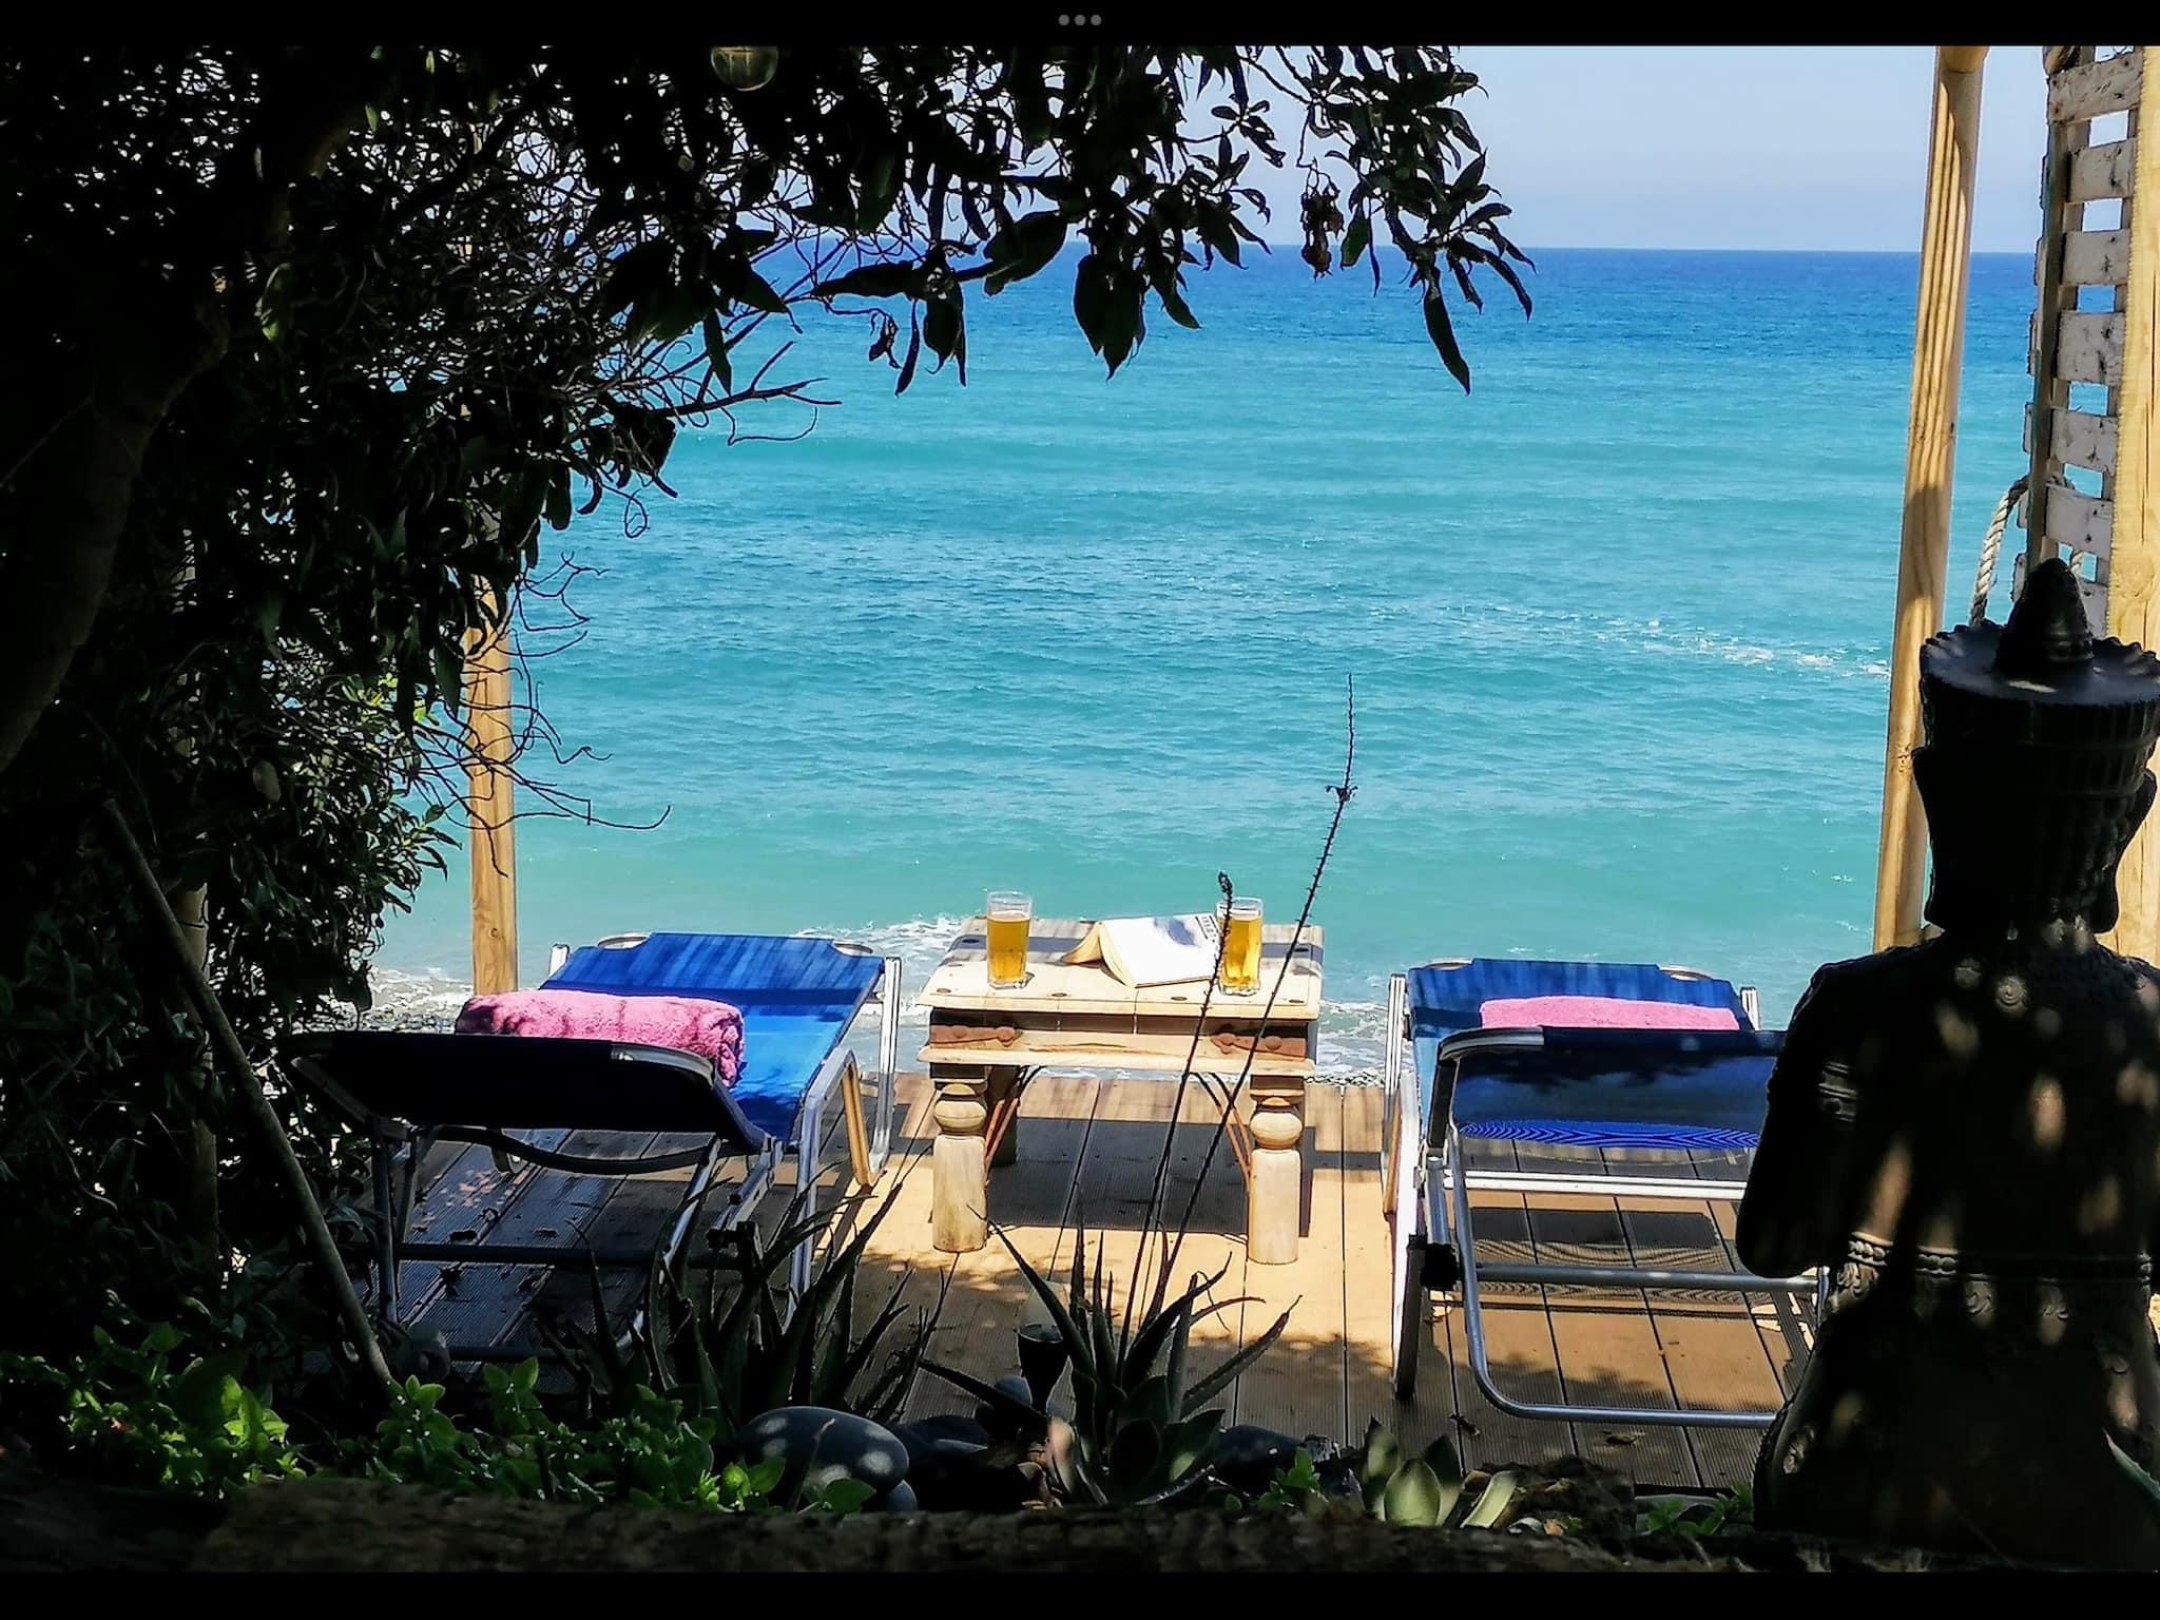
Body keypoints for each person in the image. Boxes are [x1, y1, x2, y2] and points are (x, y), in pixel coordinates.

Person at [1738, 558, 2160, 1568]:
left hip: (1863, 1476)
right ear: (2125, 820)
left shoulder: (1858, 1006)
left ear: (1939, 799)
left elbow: (1773, 1240)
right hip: (2105, 1490)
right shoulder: (2150, 1023)